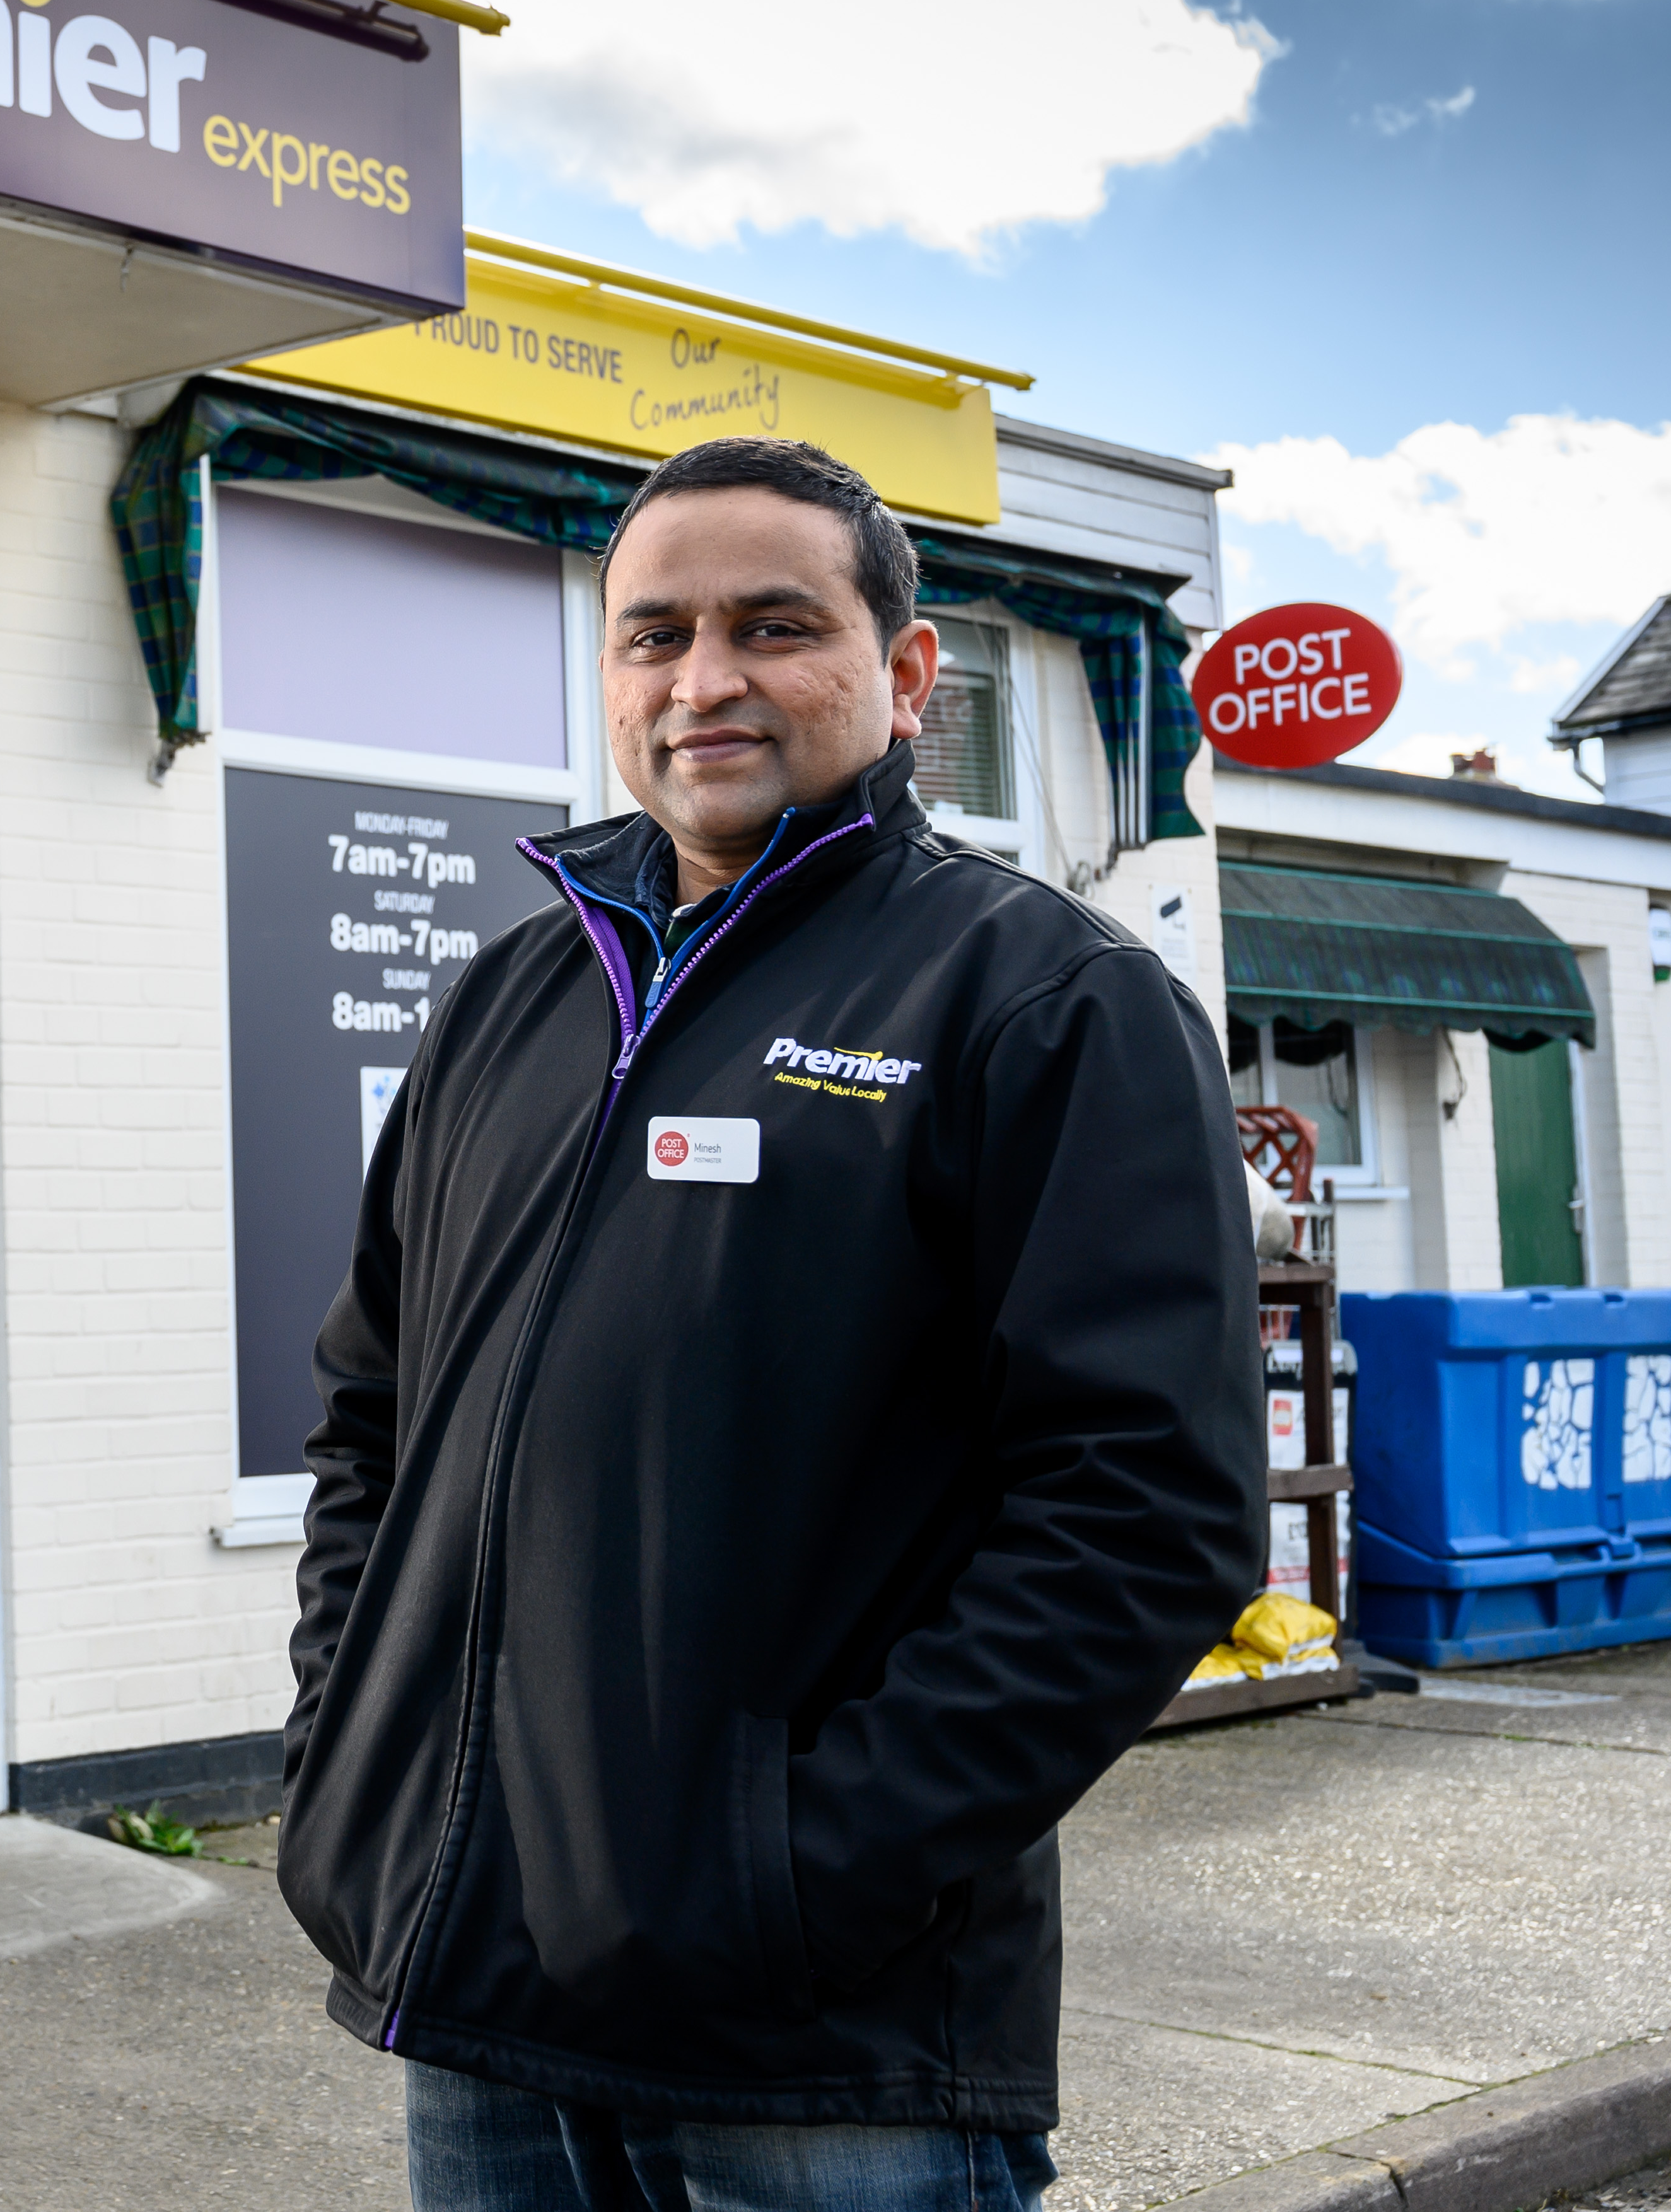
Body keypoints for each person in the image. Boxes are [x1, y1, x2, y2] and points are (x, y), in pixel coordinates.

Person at [279, 435, 1262, 2212]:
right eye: (654, 634)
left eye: (771, 626)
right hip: (474, 1993)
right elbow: (371, 1419)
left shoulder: (1044, 998)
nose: (704, 678)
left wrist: (793, 1875)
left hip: (825, 2054)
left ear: (902, 676)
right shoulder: (513, 996)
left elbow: (1144, 1517)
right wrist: (354, 1757)